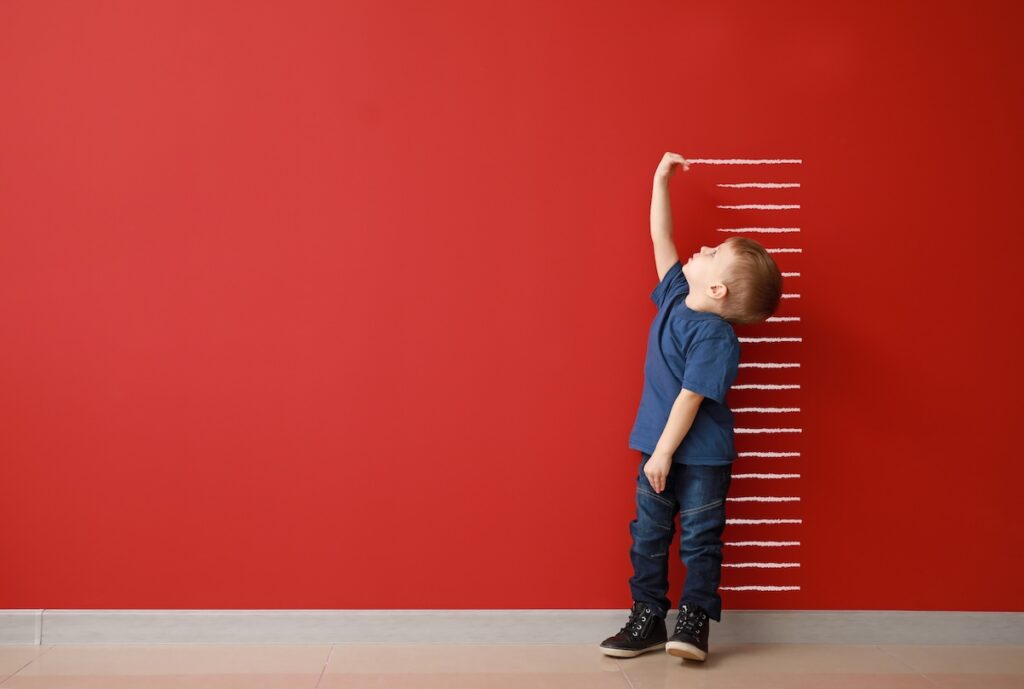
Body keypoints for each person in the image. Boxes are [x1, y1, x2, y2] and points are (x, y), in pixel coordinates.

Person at [599, 152, 783, 662]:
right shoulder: (676, 296)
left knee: (700, 541)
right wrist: (660, 180)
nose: (699, 249)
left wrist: (661, 455)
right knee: (649, 539)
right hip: (655, 451)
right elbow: (663, 240)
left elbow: (689, 399)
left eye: (712, 252)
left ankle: (693, 620)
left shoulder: (716, 336)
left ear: (717, 288)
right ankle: (648, 617)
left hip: (698, 457)